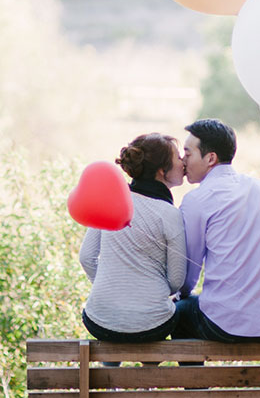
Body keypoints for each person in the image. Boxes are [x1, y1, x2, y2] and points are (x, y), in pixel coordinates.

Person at [173, 118, 260, 342]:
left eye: (188, 153)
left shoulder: (196, 201)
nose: (183, 161)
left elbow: (188, 272)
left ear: (210, 158)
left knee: (182, 312)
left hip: (222, 325)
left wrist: (182, 295)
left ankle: (195, 377)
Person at [79, 132, 187, 342]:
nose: (183, 162)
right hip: (152, 326)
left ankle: (109, 371)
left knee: (115, 329)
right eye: (178, 158)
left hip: (98, 321)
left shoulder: (111, 200)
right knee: (165, 317)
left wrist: (110, 289)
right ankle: (147, 370)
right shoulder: (170, 214)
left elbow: (86, 257)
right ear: (162, 171)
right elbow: (176, 280)